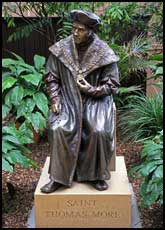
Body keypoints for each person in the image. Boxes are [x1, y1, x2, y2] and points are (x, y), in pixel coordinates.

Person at [40, 9, 120, 193]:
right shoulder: (61, 49)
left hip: (96, 100)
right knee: (59, 128)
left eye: (80, 30)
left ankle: (95, 175)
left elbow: (112, 84)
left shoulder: (104, 52)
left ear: (90, 32)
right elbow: (51, 77)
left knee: (98, 131)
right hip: (68, 98)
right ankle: (58, 178)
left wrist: (91, 89)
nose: (75, 32)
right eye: (73, 28)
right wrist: (55, 98)